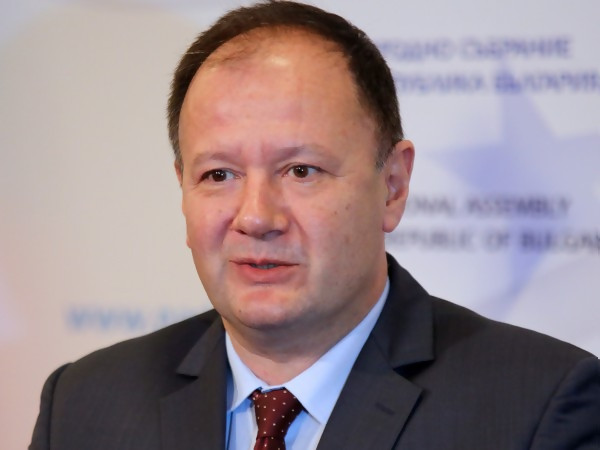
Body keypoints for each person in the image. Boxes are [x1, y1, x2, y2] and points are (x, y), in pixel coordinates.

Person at [30, 1, 599, 449]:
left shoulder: (539, 408)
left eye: (301, 171)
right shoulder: (83, 405)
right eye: (219, 174)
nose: (256, 217)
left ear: (393, 185)